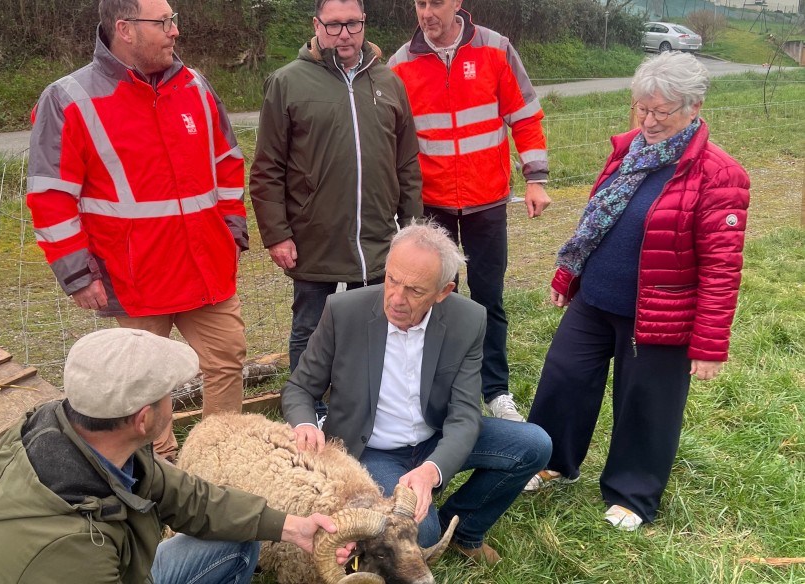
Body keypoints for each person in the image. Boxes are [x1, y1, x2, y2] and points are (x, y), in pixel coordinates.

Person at [524, 52, 750, 531]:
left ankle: (633, 494)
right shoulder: (628, 149)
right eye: (641, 109)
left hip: (659, 312)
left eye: (660, 112)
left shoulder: (719, 174)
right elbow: (595, 222)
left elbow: (722, 268)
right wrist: (567, 276)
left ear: (693, 107)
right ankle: (551, 460)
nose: (647, 121)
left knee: (645, 401)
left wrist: (709, 344)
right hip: (595, 298)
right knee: (564, 377)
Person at [26, 0, 248, 461]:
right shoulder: (68, 99)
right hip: (136, 277)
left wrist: (232, 228)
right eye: (163, 22)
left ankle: (220, 461)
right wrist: (77, 274)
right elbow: (50, 196)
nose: (174, 31)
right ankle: (159, 470)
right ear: (124, 29)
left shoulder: (195, 86)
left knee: (227, 361)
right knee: (143, 385)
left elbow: (227, 160)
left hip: (207, 265)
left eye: (173, 20)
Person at [0, 328, 352, 584]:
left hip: (122, 566)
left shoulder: (95, 445)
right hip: (94, 567)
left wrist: (291, 527)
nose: (172, 404)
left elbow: (191, 498)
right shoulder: (71, 547)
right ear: (143, 419)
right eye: (169, 396)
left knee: (239, 536)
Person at [282, 222, 551, 565]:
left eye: (414, 291)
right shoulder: (343, 311)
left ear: (443, 291)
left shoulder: (468, 319)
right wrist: (305, 423)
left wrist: (432, 469)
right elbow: (300, 387)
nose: (396, 298)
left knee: (534, 445)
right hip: (372, 449)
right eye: (392, 280)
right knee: (423, 536)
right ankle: (436, 528)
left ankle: (464, 530)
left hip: (433, 438)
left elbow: (465, 415)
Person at [249, 0, 423, 423]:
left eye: (352, 24)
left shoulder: (388, 82)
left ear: (364, 24)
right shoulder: (287, 82)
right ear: (316, 25)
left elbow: (406, 163)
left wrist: (413, 229)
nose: (344, 34)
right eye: (334, 25)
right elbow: (267, 168)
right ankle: (308, 412)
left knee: (380, 325)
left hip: (378, 237)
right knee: (310, 328)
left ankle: (373, 407)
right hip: (315, 236)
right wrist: (277, 233)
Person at [388, 0, 551, 423]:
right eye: (420, 3)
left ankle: (495, 391)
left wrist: (535, 178)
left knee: (488, 298)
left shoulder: (495, 49)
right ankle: (439, 391)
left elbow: (525, 115)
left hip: (487, 201)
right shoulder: (400, 64)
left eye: (436, 3)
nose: (427, 13)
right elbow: (388, 137)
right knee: (436, 299)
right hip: (431, 205)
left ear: (457, 3)